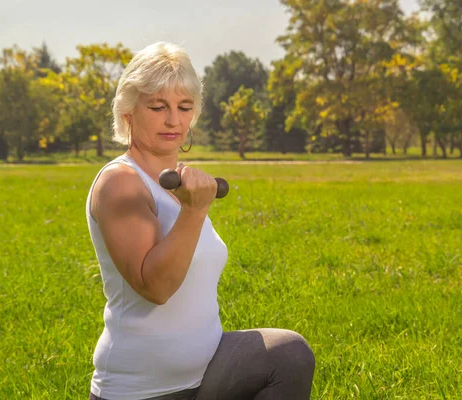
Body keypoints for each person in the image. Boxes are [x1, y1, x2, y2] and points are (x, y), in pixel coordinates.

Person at [85, 42, 315, 400]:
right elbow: (155, 287)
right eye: (158, 106)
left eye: (184, 107)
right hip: (144, 390)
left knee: (288, 354)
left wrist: (192, 204)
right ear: (129, 111)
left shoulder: (177, 182)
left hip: (204, 376)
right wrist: (194, 211)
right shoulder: (120, 184)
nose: (173, 119)